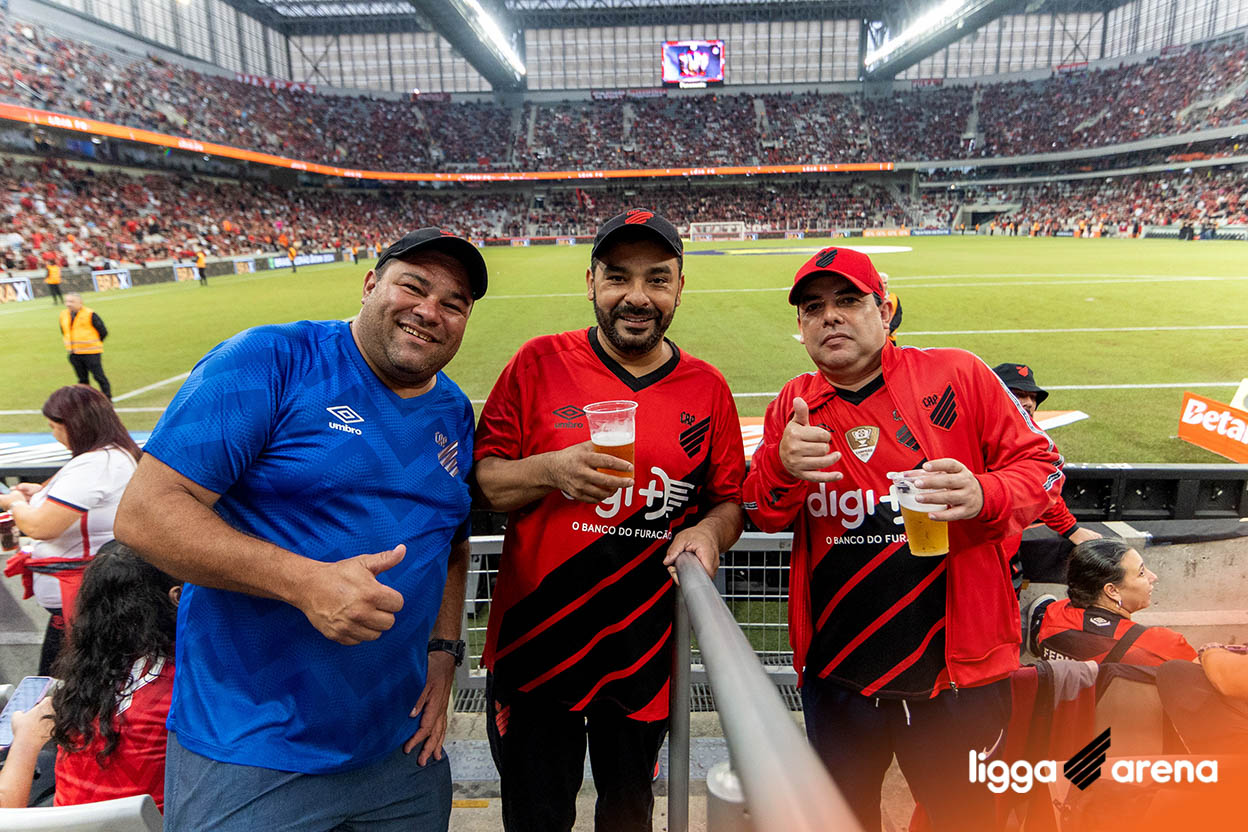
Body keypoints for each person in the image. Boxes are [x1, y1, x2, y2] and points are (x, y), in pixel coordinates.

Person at [114, 228, 488, 831]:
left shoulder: (454, 411)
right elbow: (145, 513)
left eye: (454, 303)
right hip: (252, 748)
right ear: (370, 285)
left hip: (402, 751)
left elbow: (451, 543)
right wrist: (303, 582)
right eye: (413, 287)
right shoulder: (270, 360)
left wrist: (444, 656)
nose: (429, 311)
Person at [742, 246, 1065, 832]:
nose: (829, 316)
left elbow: (1044, 467)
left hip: (955, 681)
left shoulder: (958, 375)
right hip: (838, 675)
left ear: (885, 310)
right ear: (801, 326)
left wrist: (986, 493)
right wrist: (779, 467)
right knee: (840, 821)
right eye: (812, 308)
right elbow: (761, 514)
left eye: (848, 300)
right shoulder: (793, 404)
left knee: (964, 822)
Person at [473, 209, 745, 832]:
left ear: (680, 288)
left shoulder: (707, 388)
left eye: (657, 279)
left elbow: (729, 500)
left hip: (641, 656)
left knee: (628, 816)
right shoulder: (537, 362)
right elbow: (485, 482)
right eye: (618, 276)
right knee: (535, 819)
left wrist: (708, 531)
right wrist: (551, 470)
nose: (637, 296)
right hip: (536, 650)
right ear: (591, 282)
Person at [0, 541, 180, 810]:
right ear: (176, 597)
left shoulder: (85, 676)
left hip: (65, 822)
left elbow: (6, 810)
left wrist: (26, 736)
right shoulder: (191, 679)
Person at [1, 385, 140, 675]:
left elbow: (40, 526)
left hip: (80, 606)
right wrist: (38, 494)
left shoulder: (96, 464)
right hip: (90, 602)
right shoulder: (112, 455)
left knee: (61, 691)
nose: (54, 435)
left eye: (55, 427)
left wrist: (15, 503)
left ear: (75, 425)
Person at [991, 362, 1100, 596]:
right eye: (1017, 394)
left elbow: (1043, 492)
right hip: (969, 557)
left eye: (1032, 396)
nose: (1028, 402)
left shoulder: (1030, 438)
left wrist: (1070, 528)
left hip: (1002, 558)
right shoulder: (982, 434)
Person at [1031, 537, 1197, 665]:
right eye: (1141, 573)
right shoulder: (1164, 644)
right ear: (1112, 591)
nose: (1153, 577)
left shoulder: (1052, 613)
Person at [58, 293, 111, 399]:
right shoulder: (63, 315)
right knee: (82, 380)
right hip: (74, 353)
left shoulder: (90, 314)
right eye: (66, 301)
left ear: (80, 303)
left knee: (99, 377)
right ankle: (85, 400)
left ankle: (107, 398)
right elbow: (64, 331)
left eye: (71, 301)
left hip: (91, 353)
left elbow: (103, 331)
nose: (68, 304)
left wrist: (94, 344)